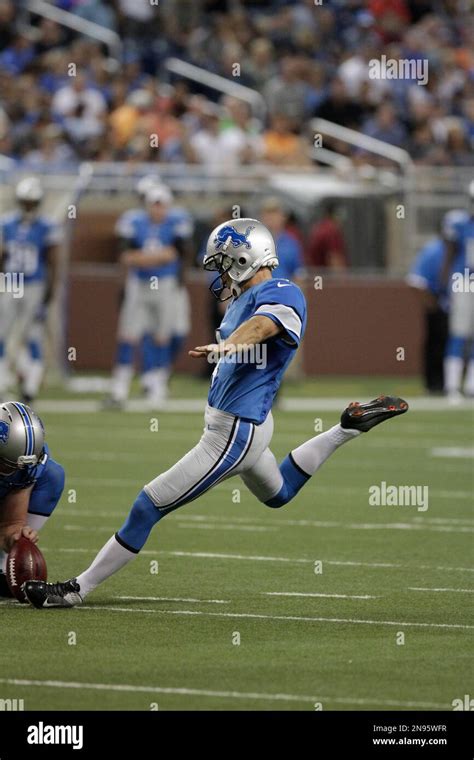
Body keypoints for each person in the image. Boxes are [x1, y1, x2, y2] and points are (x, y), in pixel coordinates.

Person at [22, 219, 408, 609]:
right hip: (245, 425)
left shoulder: (282, 291)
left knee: (148, 504)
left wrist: (232, 345)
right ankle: (346, 428)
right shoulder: (244, 296)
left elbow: (264, 326)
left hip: (233, 433)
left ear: (245, 257)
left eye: (225, 262)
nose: (221, 271)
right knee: (279, 494)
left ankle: (75, 590)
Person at [106, 182, 191, 407]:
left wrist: (141, 258)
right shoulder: (134, 221)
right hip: (139, 283)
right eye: (154, 204)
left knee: (162, 336)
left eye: (161, 205)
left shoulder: (176, 221)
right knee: (127, 335)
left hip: (166, 284)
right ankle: (119, 390)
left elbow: (177, 253)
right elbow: (125, 256)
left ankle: (157, 387)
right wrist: (159, 257)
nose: (157, 209)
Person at [0, 177, 62, 403]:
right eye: (26, 202)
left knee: (32, 334)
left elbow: (53, 261)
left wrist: (51, 289)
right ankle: (4, 381)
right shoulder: (6, 223)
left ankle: (31, 384)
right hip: (12, 281)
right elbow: (2, 257)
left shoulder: (47, 226)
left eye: (32, 202)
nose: (29, 206)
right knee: (3, 332)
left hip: (35, 283)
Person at [0, 401, 64, 598]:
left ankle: (4, 565)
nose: (16, 472)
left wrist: (16, 538)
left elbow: (9, 525)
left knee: (53, 475)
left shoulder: (25, 465)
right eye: (8, 465)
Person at [406, 226, 449, 393]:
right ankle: (435, 384)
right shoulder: (434, 250)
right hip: (438, 303)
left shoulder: (462, 249)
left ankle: (451, 383)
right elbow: (415, 280)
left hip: (455, 303)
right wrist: (432, 304)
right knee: (436, 344)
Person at [442, 183, 474, 402]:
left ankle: (471, 386)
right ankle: (452, 386)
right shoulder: (460, 223)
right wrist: (445, 285)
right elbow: (450, 254)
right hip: (463, 280)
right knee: (458, 333)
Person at [306, 201, 348, 270]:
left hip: (316, 275)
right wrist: (341, 279)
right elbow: (334, 259)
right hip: (325, 277)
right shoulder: (331, 230)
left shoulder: (319, 227)